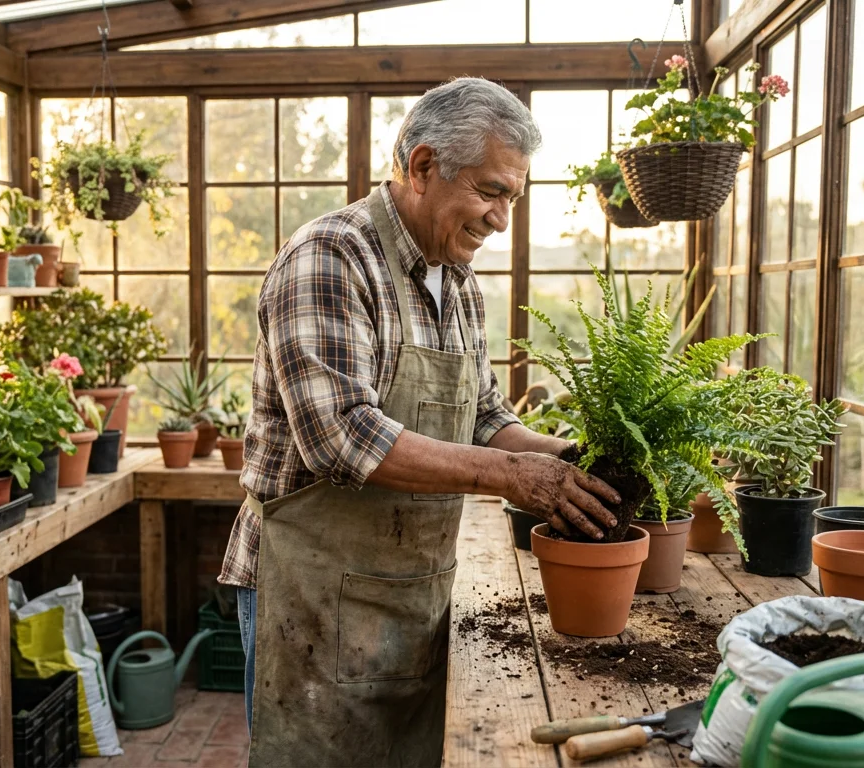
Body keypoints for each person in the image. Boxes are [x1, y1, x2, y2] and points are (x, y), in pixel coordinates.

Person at [218, 77, 620, 767]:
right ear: (423, 166)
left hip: (414, 595)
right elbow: (343, 437)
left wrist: (574, 461)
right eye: (491, 192)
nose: (500, 219)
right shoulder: (331, 258)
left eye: (512, 200)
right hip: (312, 599)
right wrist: (517, 479)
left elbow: (487, 417)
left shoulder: (456, 281)